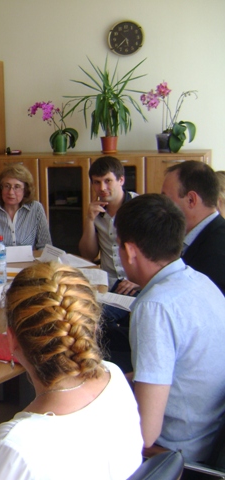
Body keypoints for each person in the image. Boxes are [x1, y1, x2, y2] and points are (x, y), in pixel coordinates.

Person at [0, 262, 143, 480]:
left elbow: (19, 461)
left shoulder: (15, 446)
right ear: (92, 329)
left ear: (11, 340)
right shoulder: (114, 376)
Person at [115, 194, 225, 462]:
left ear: (130, 251)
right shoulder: (201, 282)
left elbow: (145, 434)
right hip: (210, 430)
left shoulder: (155, 307)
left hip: (178, 454)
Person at [162, 160, 225, 296]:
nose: (162, 207)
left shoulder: (216, 250)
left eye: (166, 199)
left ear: (191, 200)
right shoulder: (199, 236)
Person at [79, 156, 139, 294]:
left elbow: (156, 251)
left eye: (108, 181)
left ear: (121, 180)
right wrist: (89, 220)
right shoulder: (95, 210)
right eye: (97, 182)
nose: (102, 188)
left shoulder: (140, 207)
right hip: (107, 283)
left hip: (134, 283)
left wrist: (139, 281)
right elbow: (88, 254)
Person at [0, 165, 51, 253]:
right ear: (0, 188)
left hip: (27, 261)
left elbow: (45, 247)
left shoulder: (36, 209)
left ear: (25, 190)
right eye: (7, 186)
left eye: (17, 187)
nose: (11, 192)